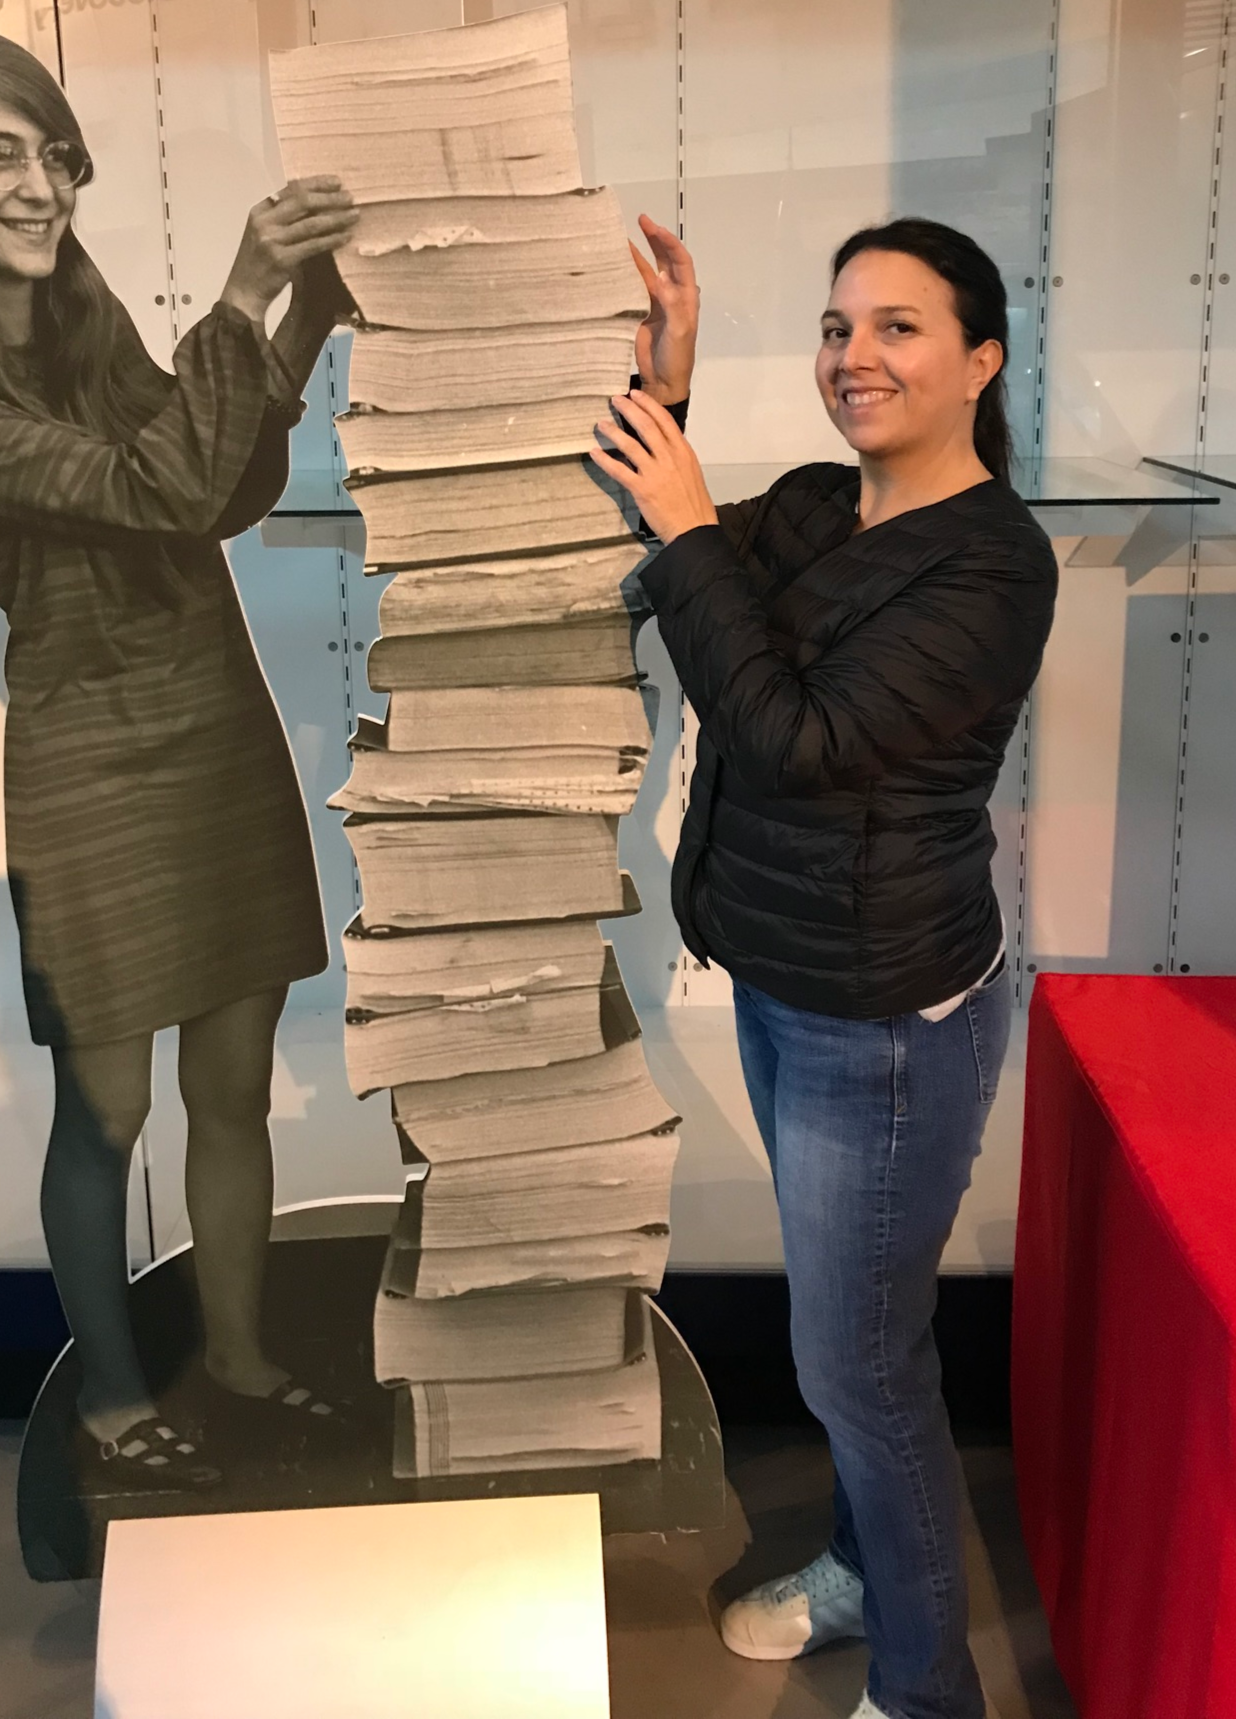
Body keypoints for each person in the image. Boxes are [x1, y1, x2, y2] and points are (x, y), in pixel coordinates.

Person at [0, 26, 360, 1490]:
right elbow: (162, 483)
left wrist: (305, 314)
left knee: (238, 1084)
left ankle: (246, 1351)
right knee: (111, 1108)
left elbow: (226, 486)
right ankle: (109, 1395)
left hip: (209, 718)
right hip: (90, 757)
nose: (40, 185)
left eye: (51, 152)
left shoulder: (81, 322)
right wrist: (248, 292)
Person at [592, 214, 1057, 1719]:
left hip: (892, 1022)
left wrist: (682, 526)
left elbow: (796, 744)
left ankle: (931, 1695)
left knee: (859, 1363)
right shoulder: (809, 506)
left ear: (981, 359)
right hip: (794, 973)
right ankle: (863, 1572)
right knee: (860, 1336)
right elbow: (695, 581)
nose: (856, 356)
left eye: (899, 327)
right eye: (837, 325)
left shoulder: (995, 567)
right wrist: (667, 393)